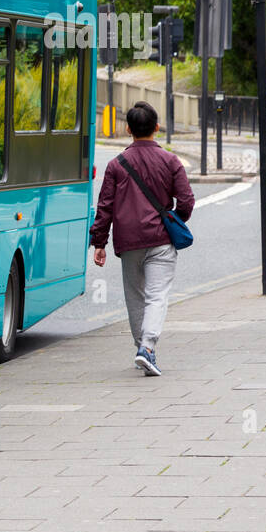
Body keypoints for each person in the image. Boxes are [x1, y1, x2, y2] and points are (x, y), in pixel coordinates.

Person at [89, 101, 194, 377]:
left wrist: (99, 243)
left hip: (129, 241)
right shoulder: (171, 161)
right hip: (160, 240)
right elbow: (186, 201)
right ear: (156, 127)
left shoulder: (116, 164)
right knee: (156, 296)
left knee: (135, 298)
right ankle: (147, 348)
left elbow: (105, 207)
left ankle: (144, 350)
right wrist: (172, 219)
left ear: (127, 129)